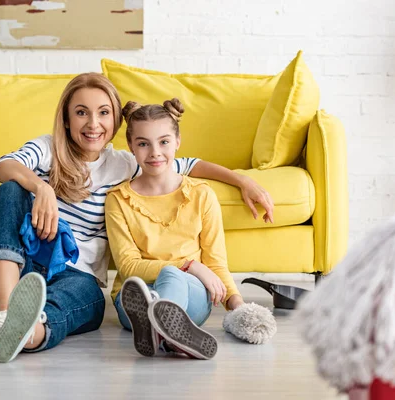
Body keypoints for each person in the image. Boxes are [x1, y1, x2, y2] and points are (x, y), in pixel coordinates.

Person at [0, 73, 274, 363]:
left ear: (116, 120)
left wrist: (243, 181)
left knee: (84, 299)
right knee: (10, 190)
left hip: (75, 277)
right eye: (81, 113)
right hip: (21, 271)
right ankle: (5, 313)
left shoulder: (125, 164)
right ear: (66, 120)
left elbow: (185, 164)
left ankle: (30, 333)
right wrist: (41, 187)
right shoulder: (47, 149)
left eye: (103, 112)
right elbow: (5, 164)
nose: (93, 123)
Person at [106, 99, 275, 360]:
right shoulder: (118, 199)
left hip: (192, 294)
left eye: (163, 142)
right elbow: (128, 266)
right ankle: (167, 332)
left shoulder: (201, 195)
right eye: (143, 143)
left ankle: (158, 328)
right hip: (134, 301)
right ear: (131, 147)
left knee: (173, 277)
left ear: (177, 141)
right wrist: (188, 264)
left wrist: (237, 305)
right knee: (168, 276)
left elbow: (216, 263)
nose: (154, 152)